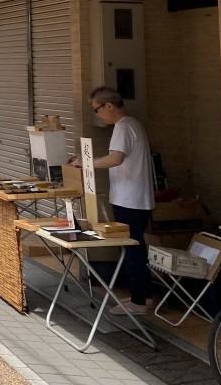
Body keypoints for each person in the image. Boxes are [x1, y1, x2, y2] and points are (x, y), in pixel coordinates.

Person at [68, 86, 154, 315]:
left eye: (97, 109)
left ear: (109, 105)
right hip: (136, 198)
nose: (97, 115)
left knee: (131, 247)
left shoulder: (124, 127)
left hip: (130, 199)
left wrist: (87, 163)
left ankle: (138, 302)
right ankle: (143, 297)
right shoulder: (132, 124)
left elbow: (116, 159)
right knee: (136, 246)